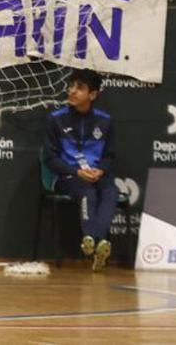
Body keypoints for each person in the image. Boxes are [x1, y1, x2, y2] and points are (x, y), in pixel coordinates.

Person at [44, 68, 118, 272]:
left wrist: (100, 171)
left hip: (95, 175)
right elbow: (50, 159)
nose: (72, 91)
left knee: (110, 191)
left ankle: (94, 242)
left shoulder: (105, 121)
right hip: (68, 176)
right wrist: (76, 172)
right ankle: (97, 240)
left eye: (80, 87)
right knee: (87, 192)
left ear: (93, 95)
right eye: (71, 86)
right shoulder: (55, 119)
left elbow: (109, 156)